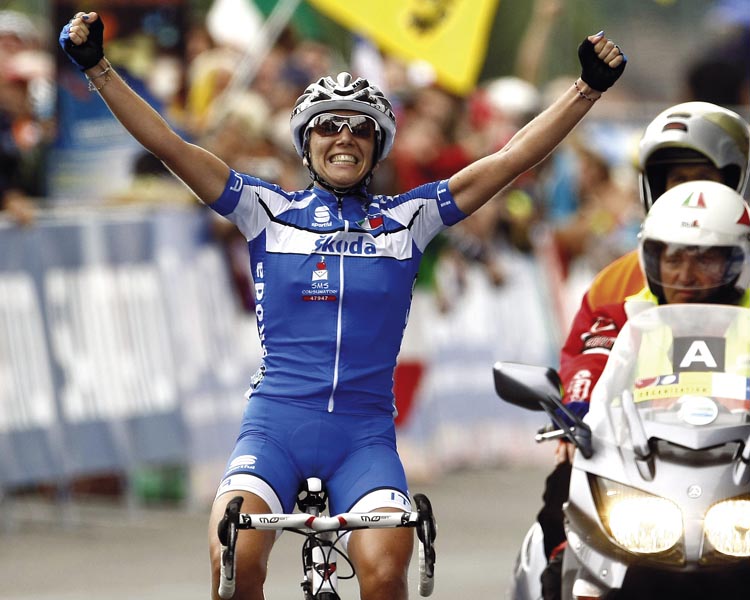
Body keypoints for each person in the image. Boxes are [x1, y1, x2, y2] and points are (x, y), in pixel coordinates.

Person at [58, 11, 626, 600]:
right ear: (307, 142)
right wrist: (99, 68)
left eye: (360, 128)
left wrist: (585, 90)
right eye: (329, 126)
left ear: (377, 146)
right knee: (233, 558)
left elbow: (509, 160)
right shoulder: (265, 210)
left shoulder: (408, 219)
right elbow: (169, 146)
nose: (345, 138)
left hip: (364, 438)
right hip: (274, 428)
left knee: (383, 572)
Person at [536, 100, 750, 579]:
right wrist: (575, 416)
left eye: (704, 178)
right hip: (641, 461)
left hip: (740, 459)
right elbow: (588, 357)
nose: (686, 273)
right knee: (560, 497)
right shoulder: (619, 281)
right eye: (677, 180)